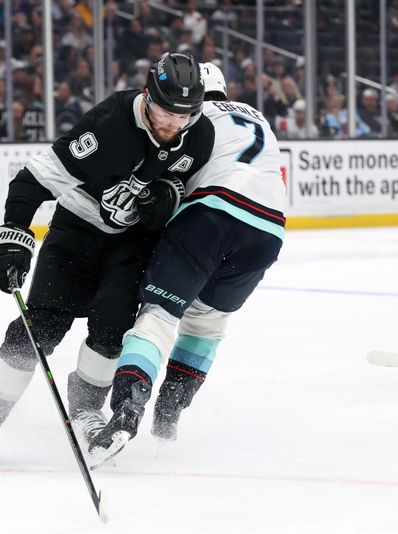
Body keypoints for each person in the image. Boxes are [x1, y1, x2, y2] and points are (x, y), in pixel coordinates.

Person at [0, 53, 215, 460]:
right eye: (164, 111)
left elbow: (191, 193)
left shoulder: (200, 136)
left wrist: (169, 197)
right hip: (77, 230)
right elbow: (37, 177)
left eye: (183, 116)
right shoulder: (111, 123)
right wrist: (13, 233)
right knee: (37, 328)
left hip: (132, 243)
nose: (172, 124)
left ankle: (86, 409)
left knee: (110, 333)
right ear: (146, 95)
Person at [88, 62, 285, 464]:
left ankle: (128, 406)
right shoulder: (257, 116)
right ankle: (168, 413)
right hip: (269, 230)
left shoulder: (195, 121)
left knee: (159, 313)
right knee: (208, 323)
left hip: (212, 212)